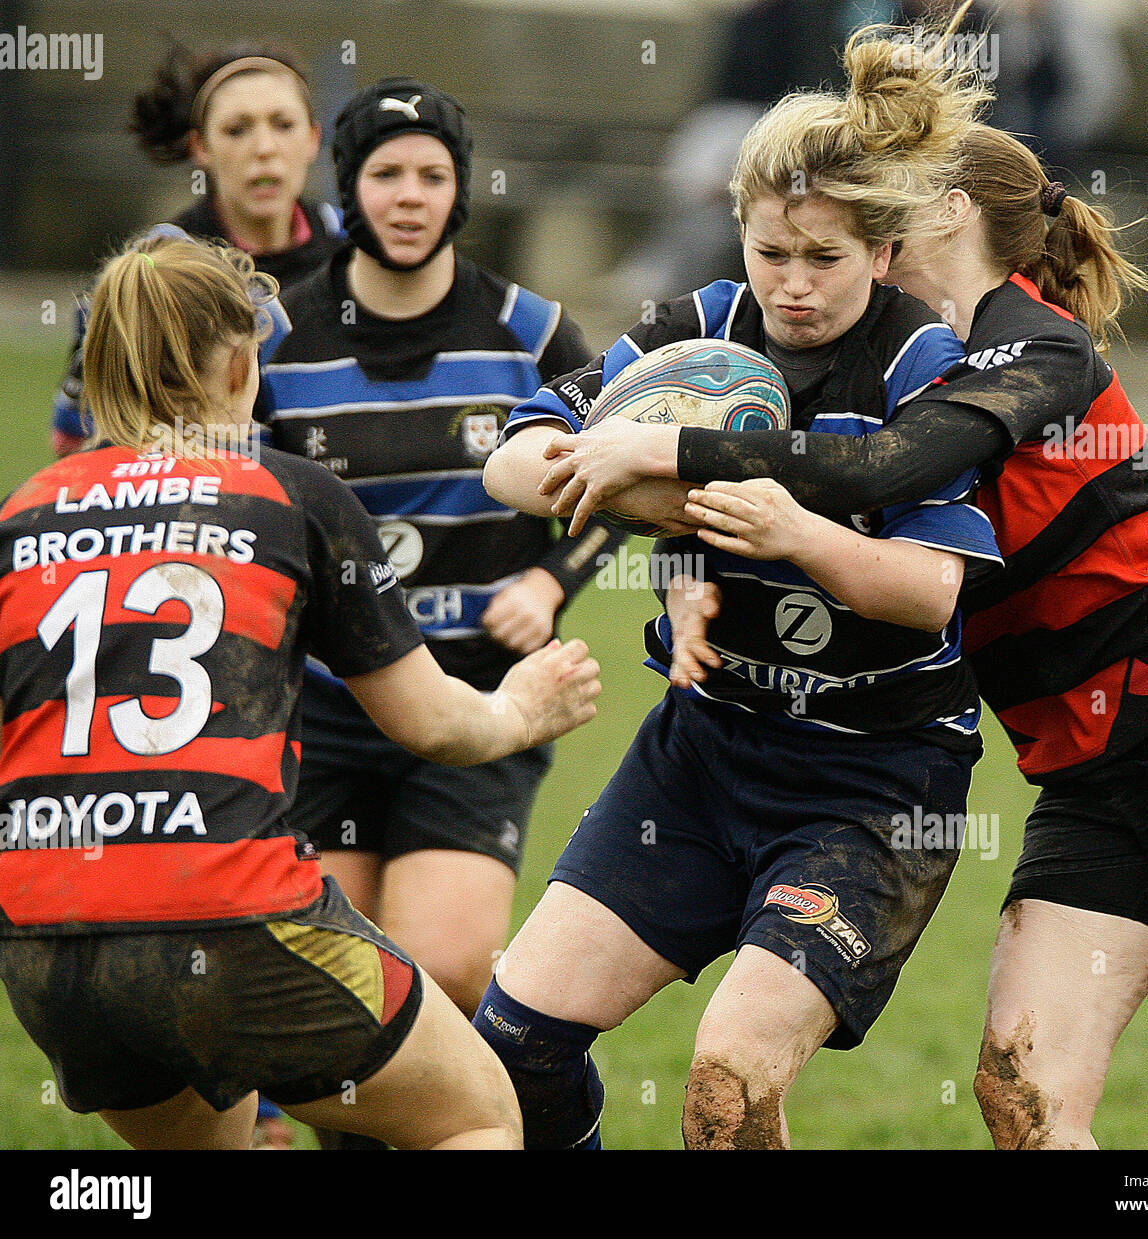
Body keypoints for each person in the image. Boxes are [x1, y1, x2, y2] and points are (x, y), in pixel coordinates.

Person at [540, 121, 1148, 1149]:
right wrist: (680, 563)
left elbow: (876, 474)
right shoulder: (885, 353)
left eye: (887, 206)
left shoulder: (1035, 344)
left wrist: (666, 445)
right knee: (1021, 1099)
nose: (860, 232)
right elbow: (792, 520)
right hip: (1083, 771)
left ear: (946, 212)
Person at [476, 18, 1003, 1150]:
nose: (795, 285)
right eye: (773, 253)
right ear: (738, 231)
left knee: (725, 1084)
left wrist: (779, 528)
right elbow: (514, 456)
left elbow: (925, 594)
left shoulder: (922, 367)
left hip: (870, 784)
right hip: (703, 752)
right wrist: (663, 513)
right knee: (510, 1047)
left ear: (878, 252)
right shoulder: (694, 335)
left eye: (824, 259)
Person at [0, 232, 601, 1150]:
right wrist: (526, 708)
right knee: (475, 1115)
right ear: (243, 361)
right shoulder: (290, 495)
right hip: (231, 917)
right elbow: (433, 722)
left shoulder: (21, 514)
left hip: (50, 941)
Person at [258, 77, 624, 1078]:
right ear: (350, 188)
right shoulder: (277, 341)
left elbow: (614, 485)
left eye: (433, 174)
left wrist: (550, 583)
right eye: (386, 174)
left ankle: (467, 1112)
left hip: (481, 693)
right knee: (330, 980)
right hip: (329, 704)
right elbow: (245, 513)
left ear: (460, 193)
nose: (410, 195)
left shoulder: (534, 334)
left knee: (449, 964)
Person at [51, 41, 343, 457]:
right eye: (236, 129)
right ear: (201, 146)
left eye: (283, 124)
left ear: (314, 139)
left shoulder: (355, 249)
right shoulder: (153, 266)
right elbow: (75, 437)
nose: (264, 148)